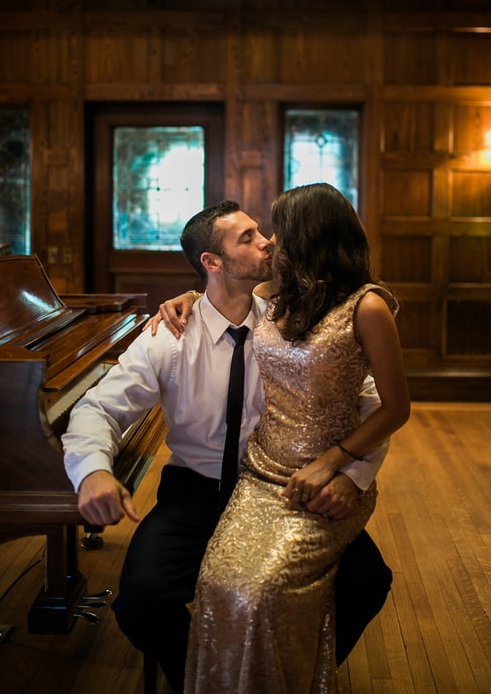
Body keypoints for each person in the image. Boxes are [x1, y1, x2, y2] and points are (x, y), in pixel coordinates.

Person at [61, 199, 393, 694]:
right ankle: (206, 678)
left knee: (369, 581)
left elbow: (366, 403)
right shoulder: (168, 336)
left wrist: (352, 475)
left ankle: (291, 677)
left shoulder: (291, 323)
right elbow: (98, 408)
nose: (268, 243)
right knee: (140, 602)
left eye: (262, 232)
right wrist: (92, 470)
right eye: (248, 238)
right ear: (211, 263)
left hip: (281, 492)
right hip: (194, 494)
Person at [183, 184, 410, 694]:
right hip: (262, 472)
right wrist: (182, 299)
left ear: (310, 235)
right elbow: (218, 296)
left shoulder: (368, 307)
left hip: (324, 480)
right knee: (218, 583)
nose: (270, 241)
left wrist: (338, 463)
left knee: (265, 591)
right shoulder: (277, 294)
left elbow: (396, 407)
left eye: (279, 228)